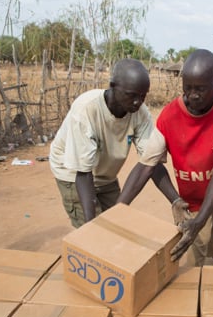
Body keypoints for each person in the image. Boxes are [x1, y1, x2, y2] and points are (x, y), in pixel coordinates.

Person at [117, 49, 213, 267]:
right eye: (188, 88)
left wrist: (202, 220)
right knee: (195, 241)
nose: (193, 95)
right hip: (193, 194)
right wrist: (116, 211)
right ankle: (197, 275)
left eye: (201, 89)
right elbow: (146, 166)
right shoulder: (169, 116)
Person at [50, 58, 173, 228]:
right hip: (73, 173)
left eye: (143, 96)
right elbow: (83, 174)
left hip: (105, 175)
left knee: (117, 225)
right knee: (95, 233)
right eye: (131, 95)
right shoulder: (87, 110)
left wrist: (175, 200)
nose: (138, 102)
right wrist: (90, 226)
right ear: (113, 86)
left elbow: (150, 162)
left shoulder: (140, 113)